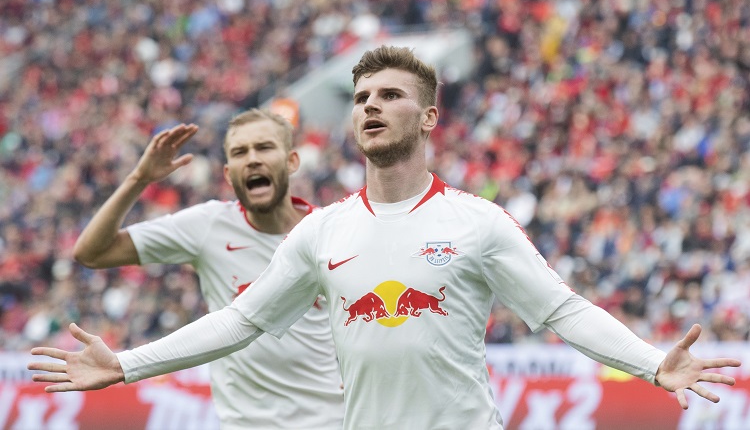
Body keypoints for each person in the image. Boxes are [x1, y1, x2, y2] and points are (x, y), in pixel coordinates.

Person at [30, 47, 740, 430]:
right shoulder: (322, 231)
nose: (371, 105)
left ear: (429, 117)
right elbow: (239, 321)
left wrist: (652, 364)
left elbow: (560, 309)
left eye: (390, 95)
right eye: (363, 97)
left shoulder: (477, 221)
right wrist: (127, 363)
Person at [70, 109, 344, 429]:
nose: (253, 159)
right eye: (240, 152)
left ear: (292, 161)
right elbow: (92, 252)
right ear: (228, 174)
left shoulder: (331, 232)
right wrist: (139, 179)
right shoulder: (208, 225)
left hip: (329, 421)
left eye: (265, 147)